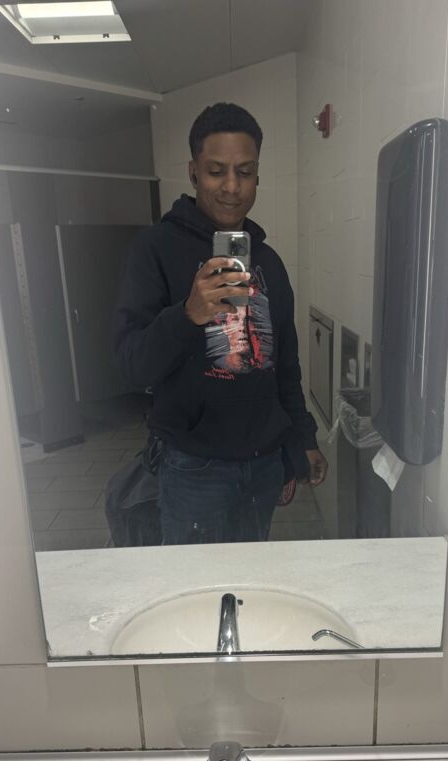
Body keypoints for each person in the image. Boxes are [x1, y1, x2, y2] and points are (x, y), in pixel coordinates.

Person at [114, 102, 327, 545]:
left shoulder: (269, 262)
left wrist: (303, 438)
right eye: (216, 171)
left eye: (245, 172)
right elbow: (132, 366)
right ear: (193, 173)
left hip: (264, 464)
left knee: (249, 576)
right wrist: (187, 314)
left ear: (257, 175)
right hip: (193, 467)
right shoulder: (154, 249)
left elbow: (285, 367)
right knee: (195, 582)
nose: (232, 186)